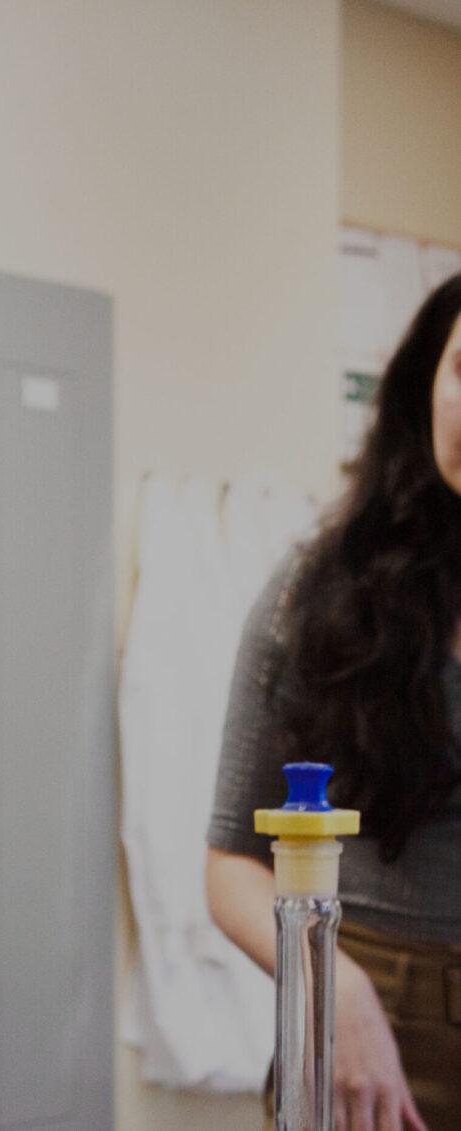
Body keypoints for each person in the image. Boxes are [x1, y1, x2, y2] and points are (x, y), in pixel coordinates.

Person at [206, 273, 461, 1131]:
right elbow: (232, 861)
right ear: (426, 384)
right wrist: (331, 986)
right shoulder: (322, 592)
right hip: (358, 1034)